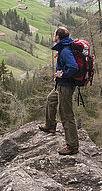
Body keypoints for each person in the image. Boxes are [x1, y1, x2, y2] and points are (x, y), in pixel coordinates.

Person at [39, 26, 79, 155]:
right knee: (51, 99)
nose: (54, 36)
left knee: (66, 114)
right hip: (61, 84)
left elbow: (73, 67)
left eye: (55, 34)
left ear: (58, 37)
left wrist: (62, 75)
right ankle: (50, 125)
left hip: (66, 86)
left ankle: (72, 146)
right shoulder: (64, 47)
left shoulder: (65, 50)